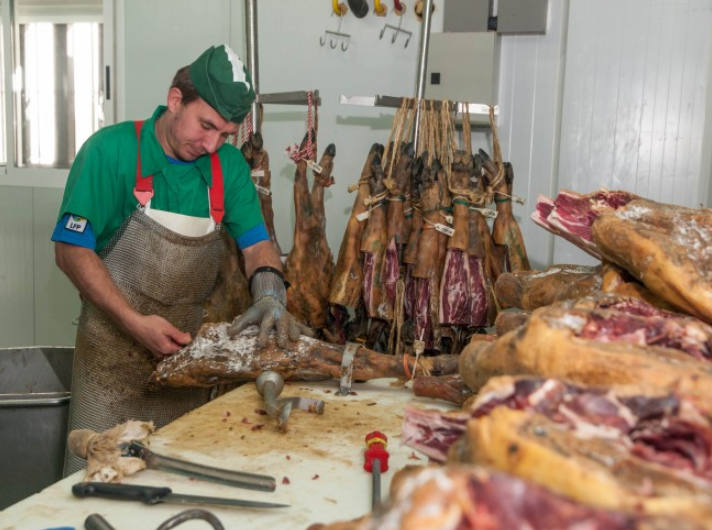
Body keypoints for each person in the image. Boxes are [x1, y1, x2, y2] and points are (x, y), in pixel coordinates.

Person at [53, 44, 310, 474]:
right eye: (206, 125)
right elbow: (71, 251)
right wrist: (134, 323)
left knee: (175, 491)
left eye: (225, 134)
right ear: (176, 101)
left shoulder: (226, 168)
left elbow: (256, 246)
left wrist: (270, 295)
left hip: (185, 371)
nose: (212, 143)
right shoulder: (109, 152)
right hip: (109, 366)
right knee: (96, 487)